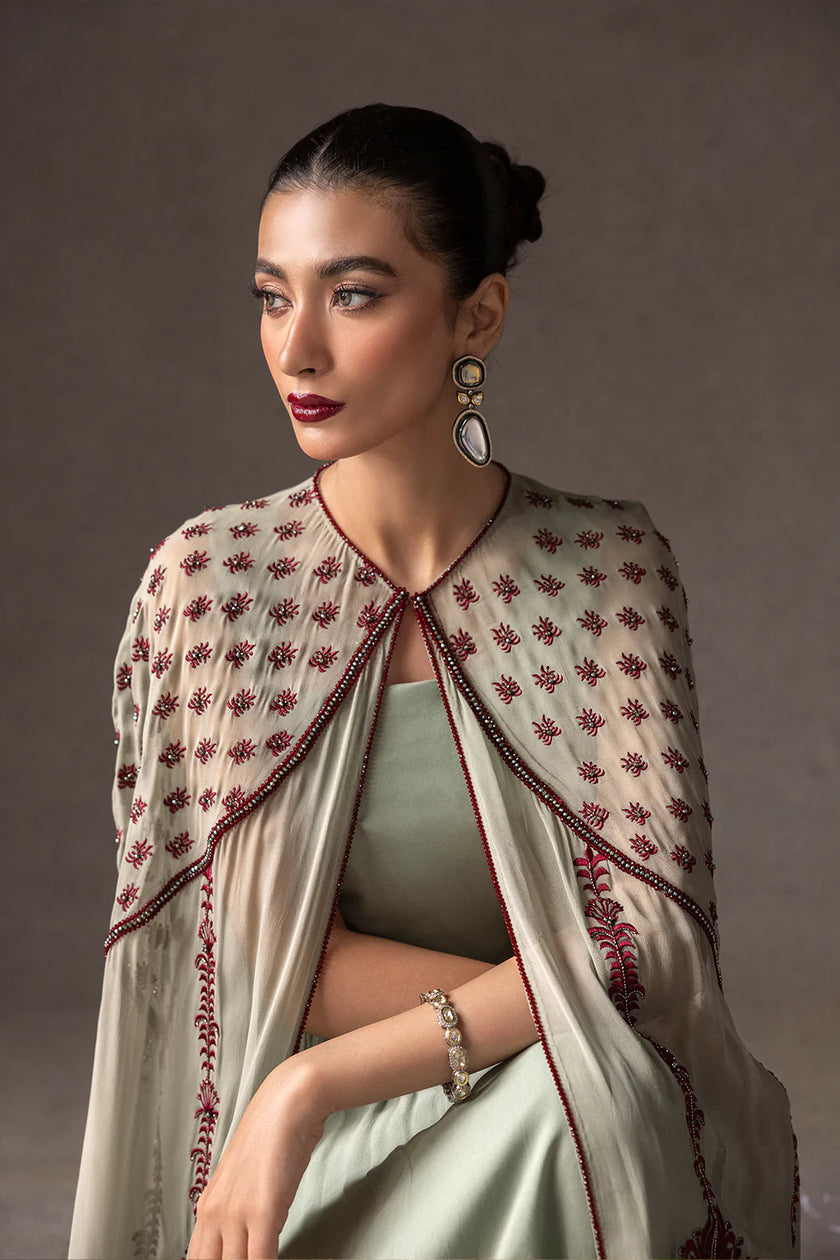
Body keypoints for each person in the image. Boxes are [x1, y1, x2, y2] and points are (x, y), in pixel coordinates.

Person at [68, 102, 800, 1260]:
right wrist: (552, 999)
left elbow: (653, 949)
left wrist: (304, 1091)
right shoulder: (211, 585)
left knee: (584, 1115)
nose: (296, 346)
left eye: (352, 293)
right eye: (272, 293)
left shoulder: (606, 568)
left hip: (526, 1097)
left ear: (478, 313)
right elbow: (271, 962)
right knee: (583, 1092)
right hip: (341, 1128)